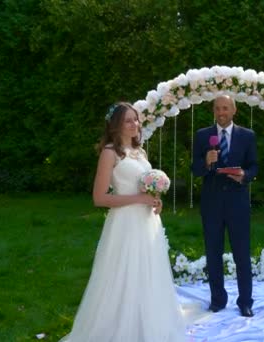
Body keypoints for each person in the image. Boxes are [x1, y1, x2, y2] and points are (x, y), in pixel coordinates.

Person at [61, 102, 185, 341]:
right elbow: (99, 198)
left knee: (148, 273)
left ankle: (145, 325)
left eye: (136, 119)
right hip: (125, 224)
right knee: (123, 275)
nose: (135, 124)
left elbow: (143, 187)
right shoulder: (110, 153)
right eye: (128, 120)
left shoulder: (140, 152)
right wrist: (139, 198)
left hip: (147, 222)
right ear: (115, 125)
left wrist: (155, 200)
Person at [191, 95, 258, 317]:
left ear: (234, 110)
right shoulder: (203, 136)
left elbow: (254, 167)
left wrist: (244, 176)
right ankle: (217, 299)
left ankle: (245, 301)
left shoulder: (247, 136)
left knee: (242, 253)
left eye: (225, 108)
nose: (221, 112)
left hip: (238, 203)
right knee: (213, 253)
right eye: (218, 108)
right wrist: (206, 162)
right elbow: (195, 169)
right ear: (214, 110)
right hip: (211, 204)